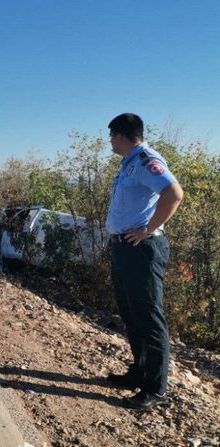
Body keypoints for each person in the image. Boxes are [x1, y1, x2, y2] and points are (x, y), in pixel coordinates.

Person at [104, 113, 184, 410]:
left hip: (142, 248)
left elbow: (174, 194)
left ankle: (156, 388)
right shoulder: (129, 165)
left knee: (149, 317)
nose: (110, 141)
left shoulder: (147, 160)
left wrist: (149, 229)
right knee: (131, 314)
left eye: (112, 136)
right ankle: (138, 372)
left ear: (122, 135)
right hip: (125, 248)